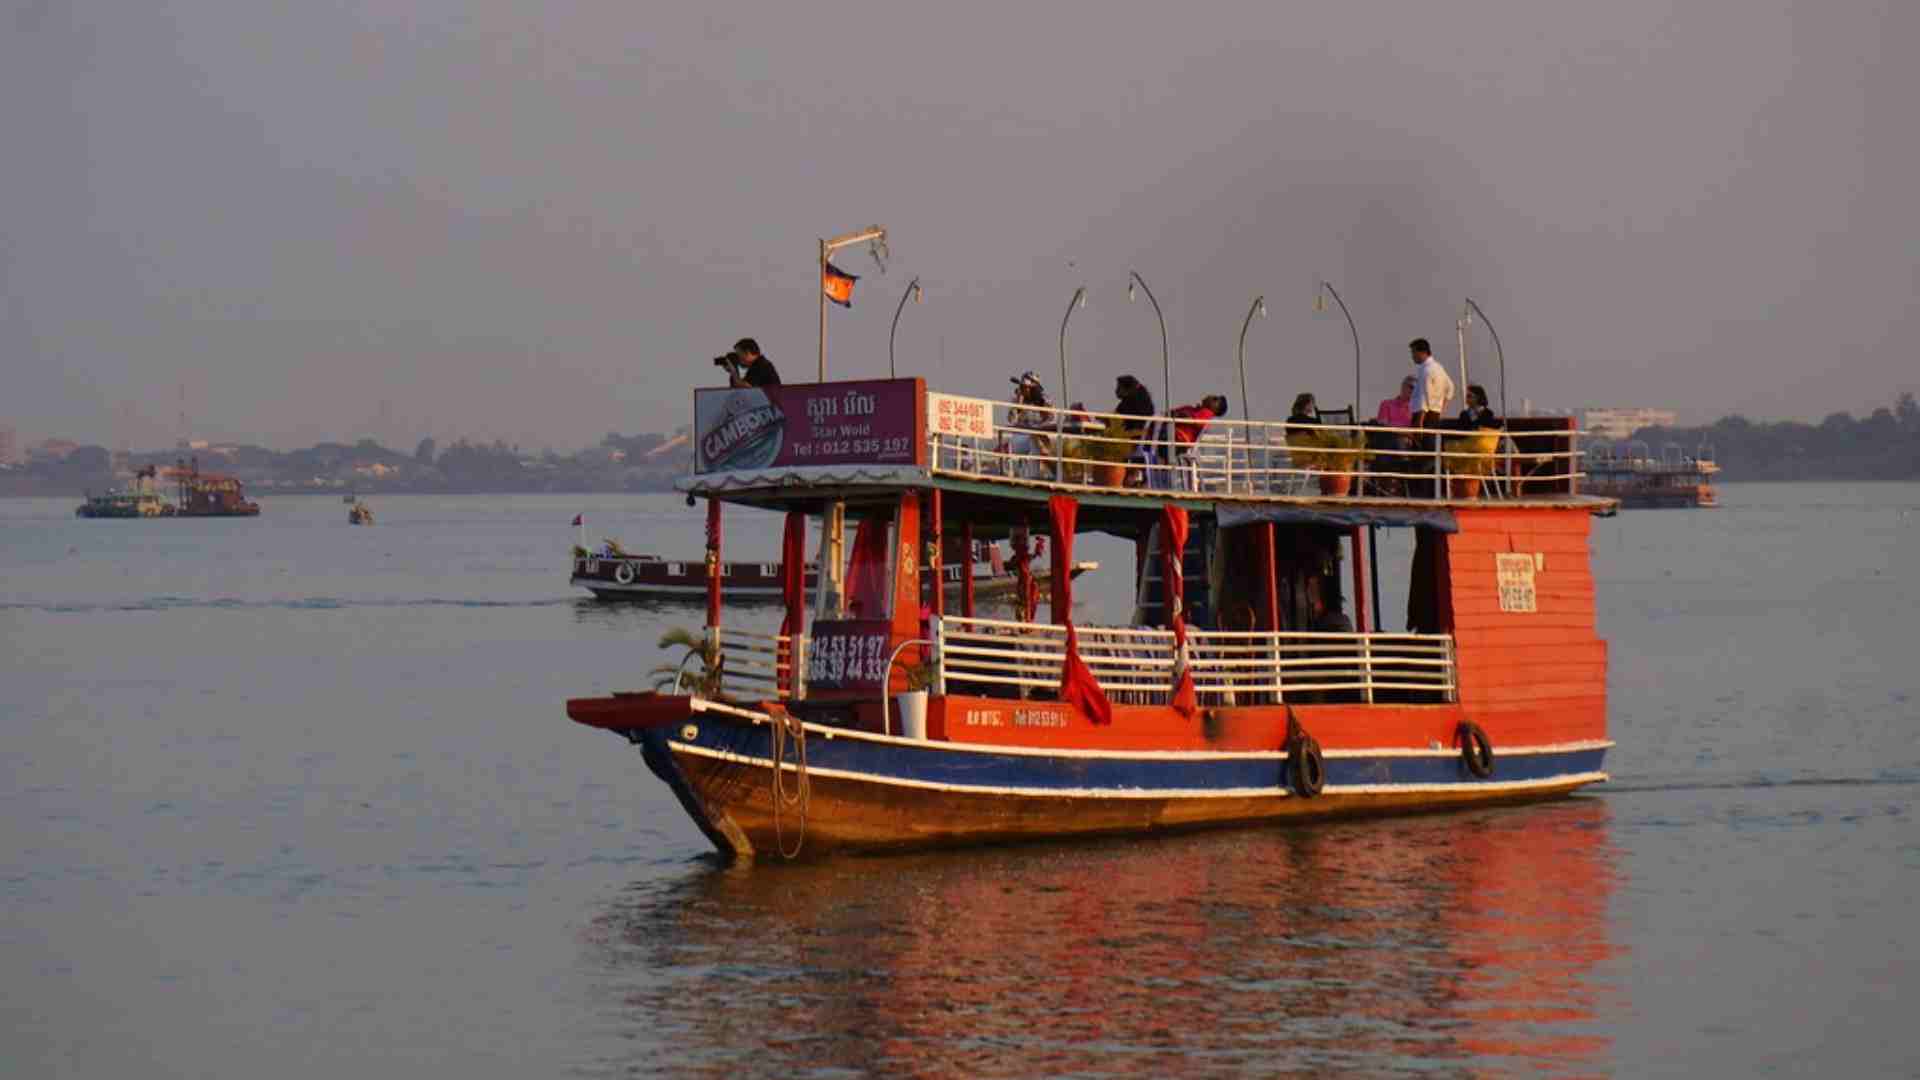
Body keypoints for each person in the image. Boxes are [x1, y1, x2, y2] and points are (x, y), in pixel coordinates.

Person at [1407, 339, 1453, 428]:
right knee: (1430, 440)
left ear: (1422, 352)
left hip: (1423, 416)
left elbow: (1424, 397)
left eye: (1414, 352)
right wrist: (1441, 409)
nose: (1412, 356)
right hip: (1435, 414)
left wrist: (1420, 421)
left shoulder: (1426, 370)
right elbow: (1450, 388)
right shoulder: (1439, 367)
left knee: (1423, 441)